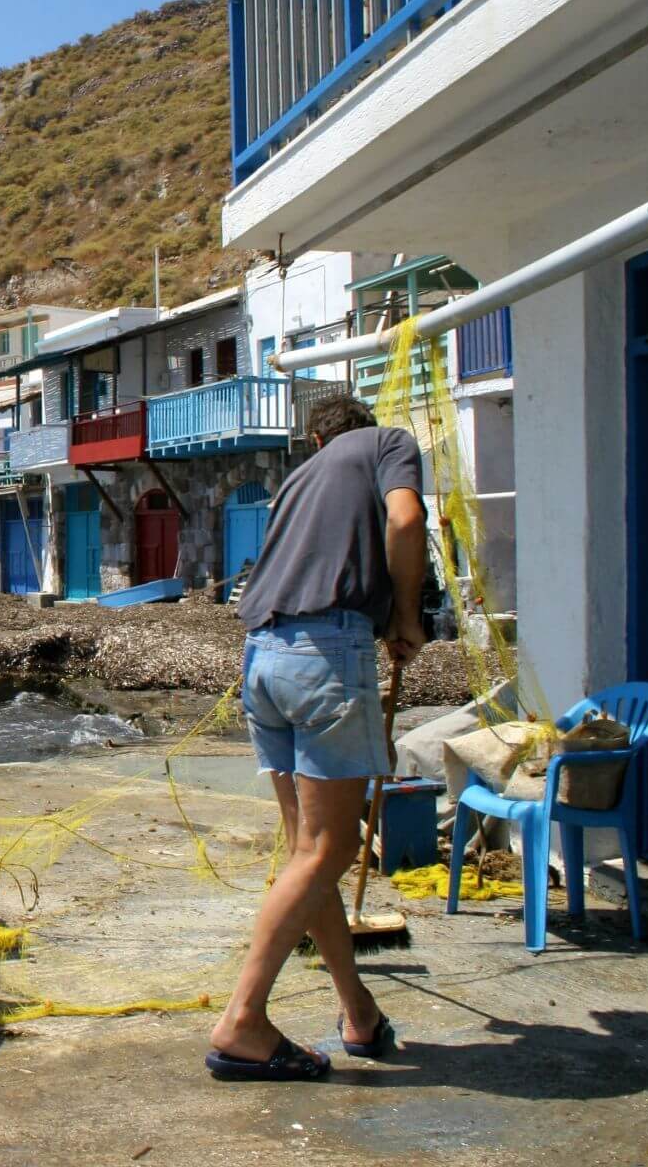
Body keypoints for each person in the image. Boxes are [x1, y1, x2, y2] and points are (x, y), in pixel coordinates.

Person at [206, 395, 427, 1081]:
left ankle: (357, 1012)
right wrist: (407, 615)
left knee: (311, 852)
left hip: (262, 657)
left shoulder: (298, 478)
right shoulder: (390, 442)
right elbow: (407, 519)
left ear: (318, 435)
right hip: (327, 652)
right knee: (331, 846)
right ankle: (243, 1019)